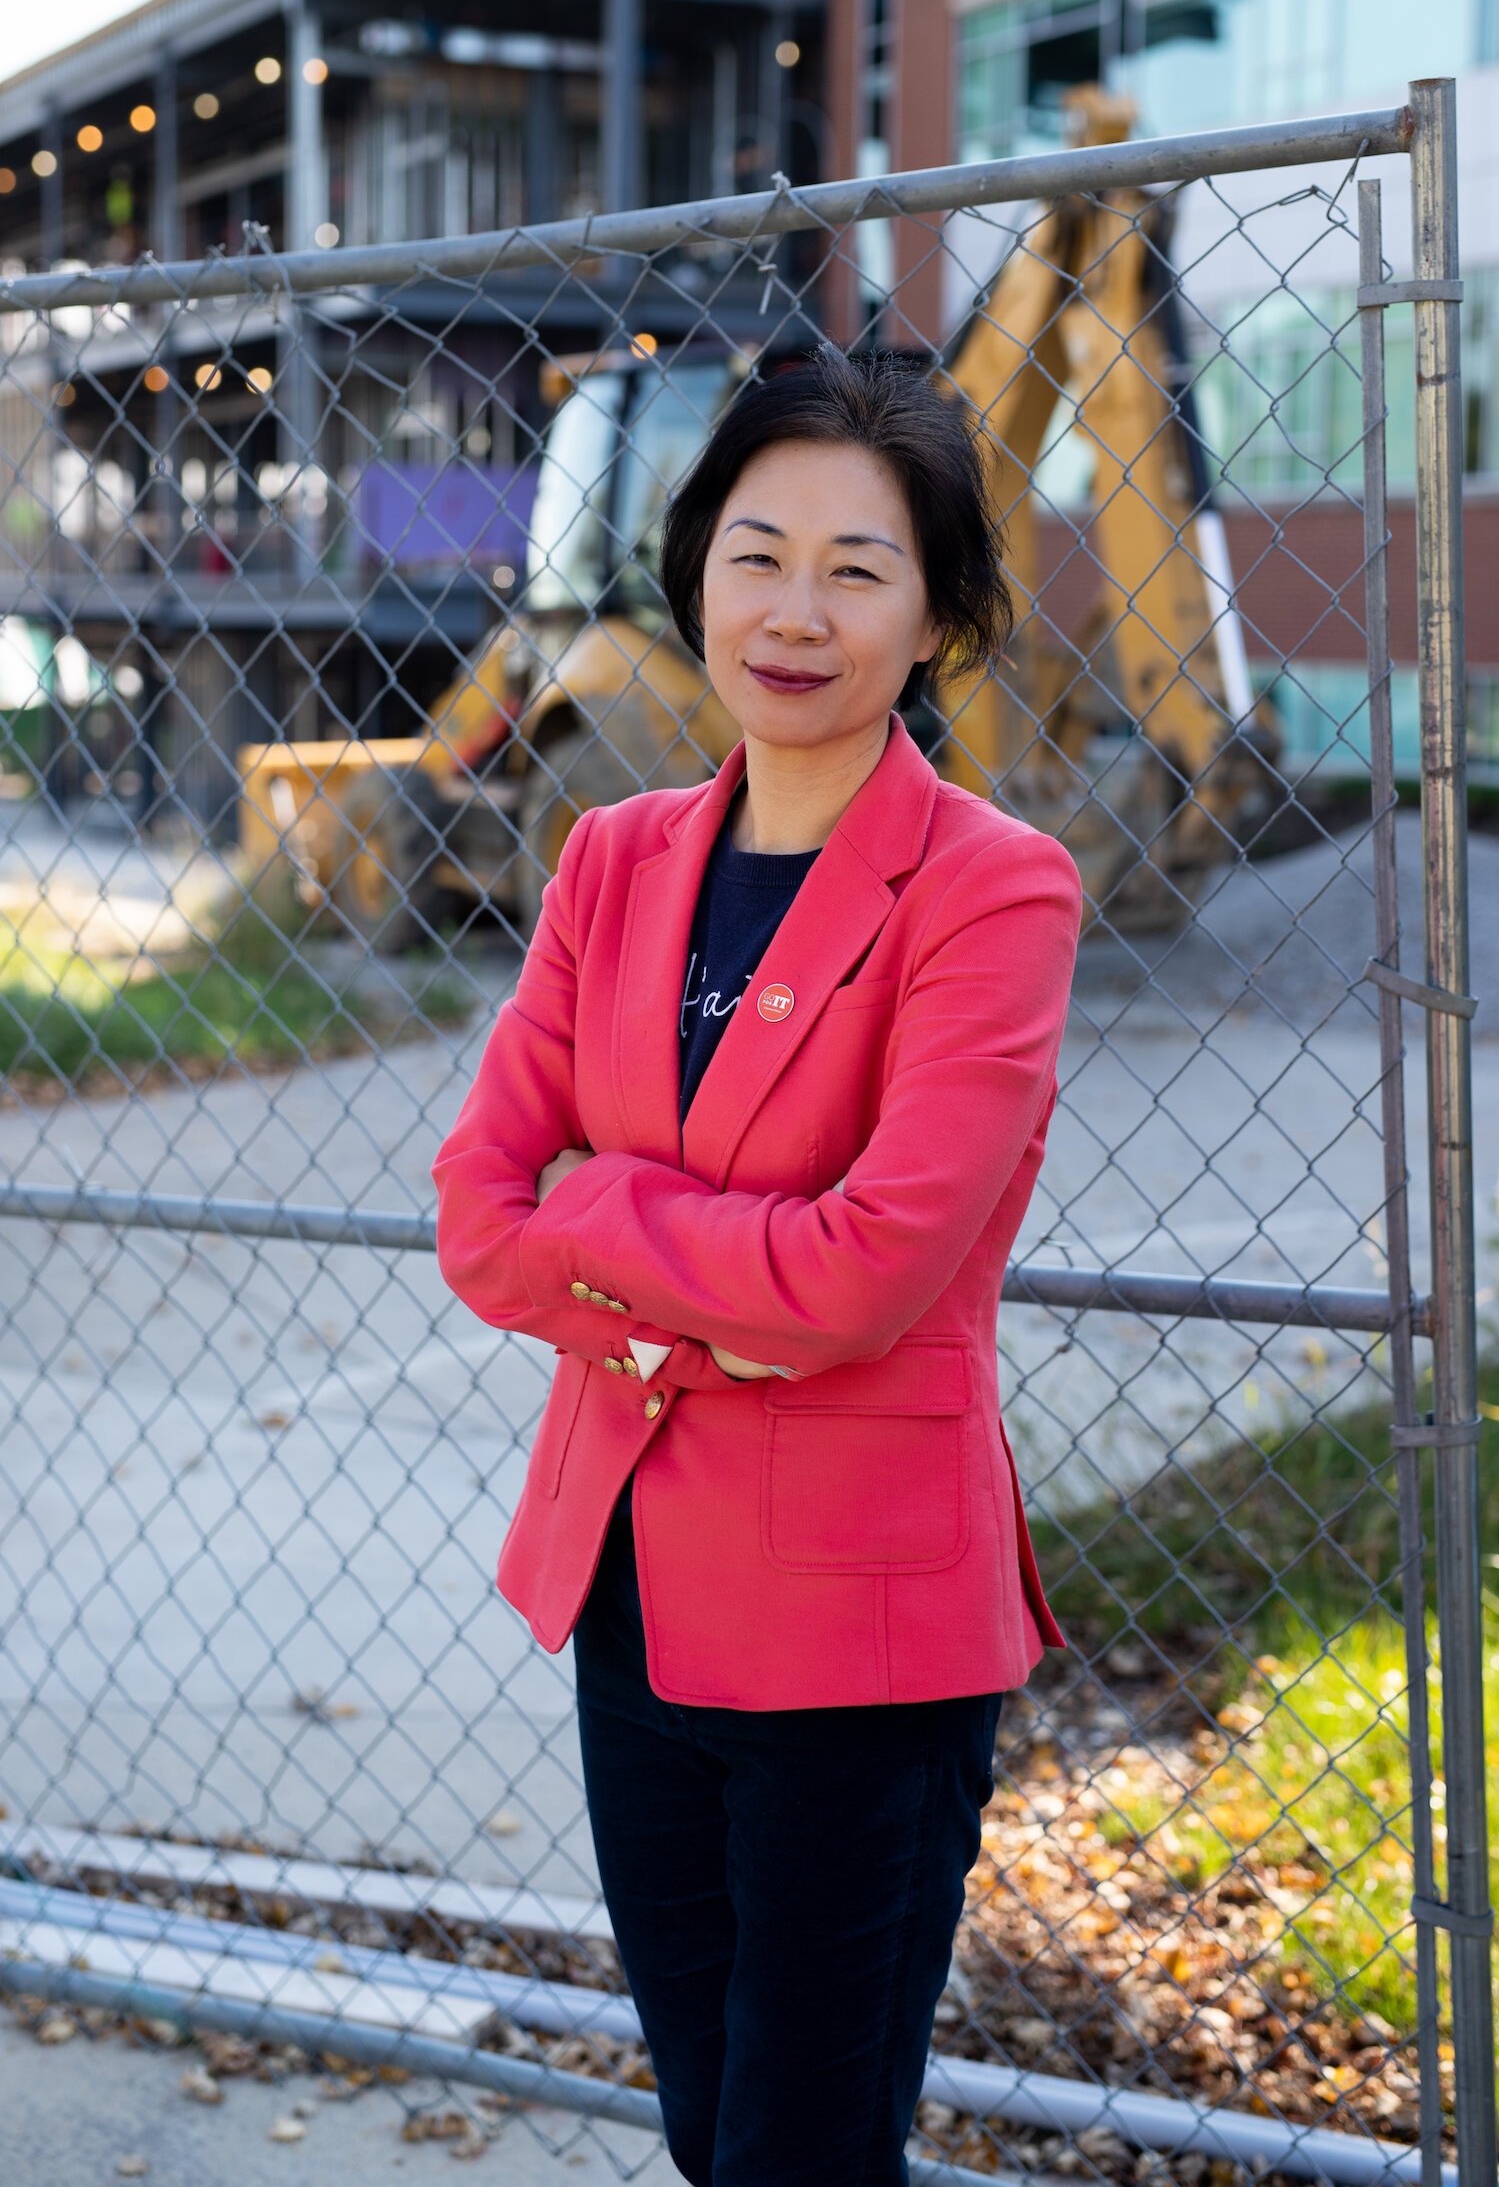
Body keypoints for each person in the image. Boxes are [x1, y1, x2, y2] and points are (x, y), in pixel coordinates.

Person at [431, 341, 1082, 2185]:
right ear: (696, 565)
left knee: (803, 2151)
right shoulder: (614, 856)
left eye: (858, 569)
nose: (797, 611)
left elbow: (870, 1272)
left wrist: (606, 1217)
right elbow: (480, 1213)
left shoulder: (992, 887)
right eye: (757, 551)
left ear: (939, 615)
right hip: (631, 1589)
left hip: (859, 1642)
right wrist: (723, 1271)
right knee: (718, 2128)